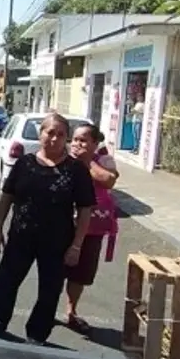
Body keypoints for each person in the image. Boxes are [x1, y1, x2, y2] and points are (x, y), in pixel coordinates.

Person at [0, 113, 96, 344]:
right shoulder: (25, 163)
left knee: (50, 290)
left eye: (60, 134)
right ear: (41, 134)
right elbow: (7, 196)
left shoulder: (76, 170)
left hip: (57, 242)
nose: (54, 138)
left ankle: (37, 334)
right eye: (49, 132)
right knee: (6, 282)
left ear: (67, 139)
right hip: (21, 236)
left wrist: (76, 246)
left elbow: (85, 210)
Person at [65, 123, 119, 335]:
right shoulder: (64, 158)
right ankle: (46, 309)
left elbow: (108, 181)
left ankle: (71, 311)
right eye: (75, 139)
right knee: (54, 268)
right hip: (64, 223)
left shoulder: (103, 161)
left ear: (95, 144)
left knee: (81, 272)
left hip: (92, 226)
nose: (77, 144)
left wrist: (86, 162)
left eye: (83, 140)